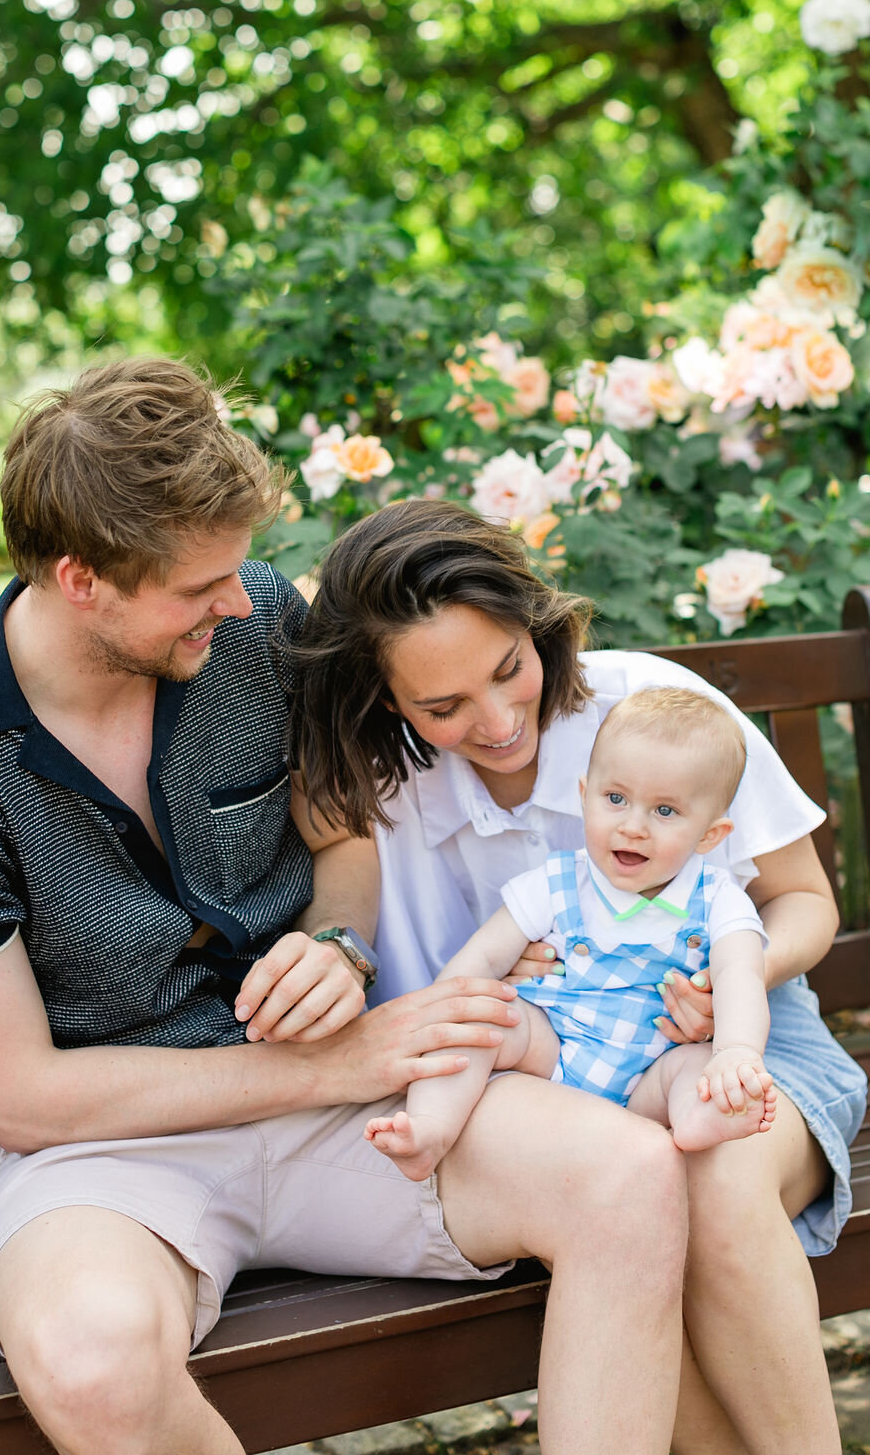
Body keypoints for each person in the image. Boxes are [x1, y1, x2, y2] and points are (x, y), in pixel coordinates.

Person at [0, 361, 689, 1455]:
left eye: (239, 572)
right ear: (81, 578)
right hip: (106, 1153)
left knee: (630, 1178)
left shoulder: (251, 635)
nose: (239, 603)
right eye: (201, 587)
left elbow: (338, 835)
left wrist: (339, 946)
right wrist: (330, 1064)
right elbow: (26, 1101)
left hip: (351, 1107)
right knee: (94, 1369)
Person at [292, 498, 868, 1455]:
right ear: (385, 699)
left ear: (535, 625)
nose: (498, 720)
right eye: (443, 708)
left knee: (712, 1177)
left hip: (739, 1046)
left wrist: (730, 987)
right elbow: (424, 1003)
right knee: (625, 1194)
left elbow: (805, 901)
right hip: (558, 1072)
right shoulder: (381, 792)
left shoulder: (647, 708)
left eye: (509, 668)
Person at [365, 686, 778, 1180]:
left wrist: (736, 1053)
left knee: (698, 1066)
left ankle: (697, 1119)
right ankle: (429, 1127)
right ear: (585, 797)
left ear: (710, 835)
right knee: (486, 1019)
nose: (633, 826)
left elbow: (741, 978)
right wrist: (444, 1017)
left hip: (655, 1071)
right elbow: (479, 961)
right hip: (553, 1049)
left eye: (665, 811)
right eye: (616, 798)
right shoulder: (558, 882)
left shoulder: (716, 898)